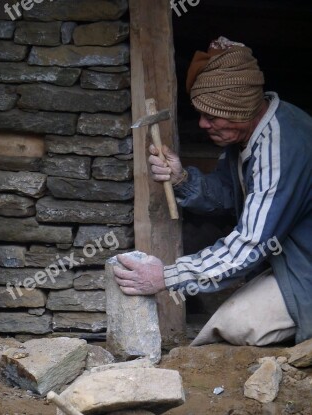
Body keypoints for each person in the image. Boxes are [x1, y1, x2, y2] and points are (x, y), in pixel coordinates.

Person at [113, 37, 312, 346]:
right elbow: (227, 196)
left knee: (230, 327)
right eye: (200, 114)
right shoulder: (245, 136)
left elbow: (250, 244)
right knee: (195, 236)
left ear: (241, 110)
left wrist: (165, 278)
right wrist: (182, 180)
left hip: (304, 265)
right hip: (282, 255)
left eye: (212, 116)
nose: (203, 124)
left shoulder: (282, 149)